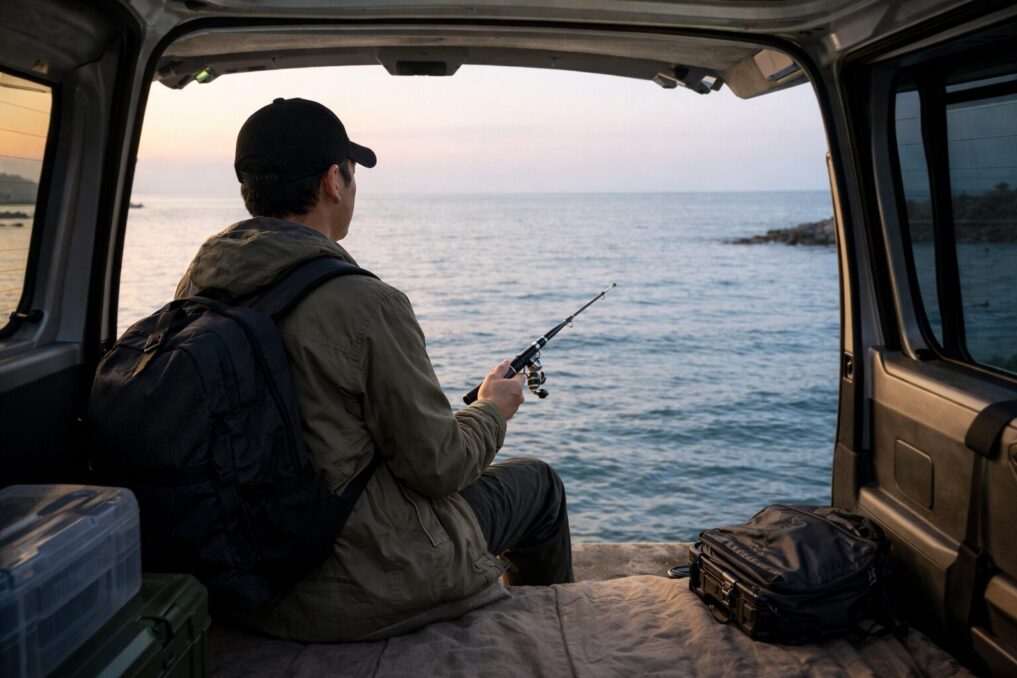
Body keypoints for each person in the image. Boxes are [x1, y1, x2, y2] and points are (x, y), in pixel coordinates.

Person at [174, 98, 574, 642]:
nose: (354, 188)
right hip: (357, 586)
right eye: (352, 173)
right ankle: (542, 640)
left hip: (244, 576)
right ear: (332, 183)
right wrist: (492, 410)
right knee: (540, 485)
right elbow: (438, 466)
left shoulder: (197, 286)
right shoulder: (366, 303)